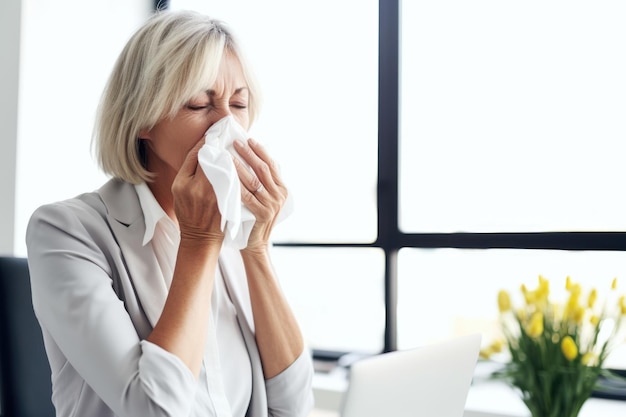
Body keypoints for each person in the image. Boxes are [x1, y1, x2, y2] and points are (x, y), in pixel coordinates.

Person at [25, 9, 314, 417]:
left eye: (239, 103)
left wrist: (256, 248)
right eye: (200, 104)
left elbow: (294, 406)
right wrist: (199, 243)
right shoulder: (66, 232)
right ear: (143, 118)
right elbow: (153, 409)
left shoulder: (234, 233)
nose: (226, 127)